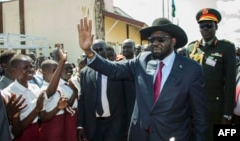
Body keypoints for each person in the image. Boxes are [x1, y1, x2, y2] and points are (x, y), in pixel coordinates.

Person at [77, 17, 208, 141]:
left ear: (173, 41)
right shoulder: (142, 60)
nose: (155, 43)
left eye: (161, 39)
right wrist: (89, 51)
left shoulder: (191, 70)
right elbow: (113, 69)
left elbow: (200, 117)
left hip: (171, 136)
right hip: (140, 135)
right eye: (152, 40)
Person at [186, 8, 236, 141]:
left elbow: (230, 83)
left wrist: (227, 115)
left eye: (209, 25)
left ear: (216, 27)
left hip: (215, 110)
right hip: (193, 109)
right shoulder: (191, 48)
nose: (205, 29)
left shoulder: (226, 48)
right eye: (202, 26)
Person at [77, 39, 128, 141]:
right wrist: (80, 125)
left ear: (106, 50)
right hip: (94, 125)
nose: (98, 53)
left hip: (114, 124)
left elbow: (127, 98)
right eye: (95, 50)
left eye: (101, 49)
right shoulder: (85, 73)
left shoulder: (118, 69)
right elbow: (82, 100)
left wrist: (127, 124)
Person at [1, 54, 45, 141]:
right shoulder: (8, 93)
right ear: (14, 71)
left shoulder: (35, 87)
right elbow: (17, 131)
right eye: (25, 68)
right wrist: (37, 109)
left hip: (37, 130)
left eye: (31, 67)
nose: (30, 70)